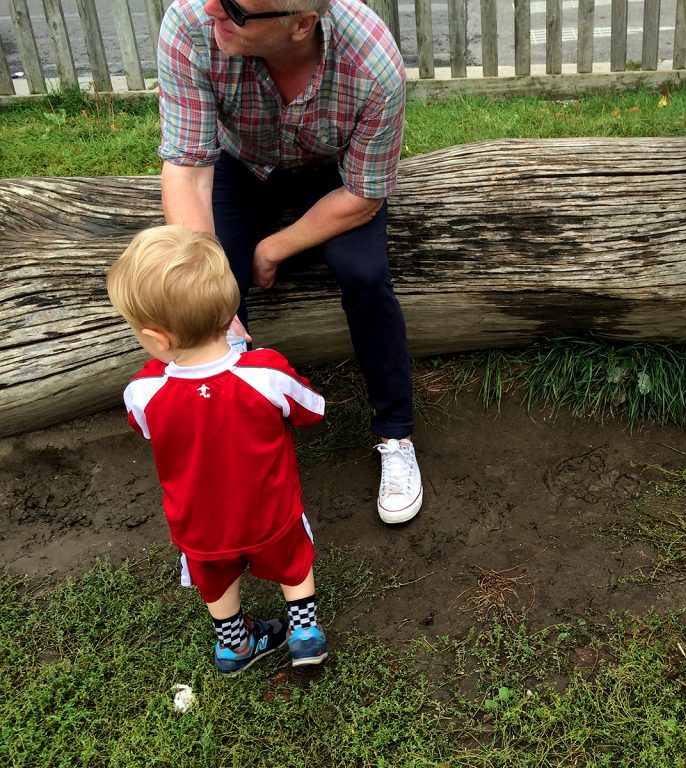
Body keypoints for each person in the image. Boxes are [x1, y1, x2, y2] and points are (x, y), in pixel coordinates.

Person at [155, 0, 422, 525]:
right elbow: (187, 171)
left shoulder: (373, 64)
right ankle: (232, 455)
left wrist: (270, 248)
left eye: (234, 7)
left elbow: (364, 196)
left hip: (333, 174)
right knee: (208, 294)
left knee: (363, 274)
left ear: (301, 25)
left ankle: (397, 434)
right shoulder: (191, 24)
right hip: (237, 164)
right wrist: (213, 289)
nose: (213, 8)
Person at [107, 225, 329, 676]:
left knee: (216, 577)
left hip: (200, 525)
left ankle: (235, 645)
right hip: (269, 512)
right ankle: (304, 634)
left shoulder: (144, 390)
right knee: (292, 558)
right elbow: (313, 410)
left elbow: (145, 429)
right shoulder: (265, 372)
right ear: (230, 313)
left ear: (159, 339)